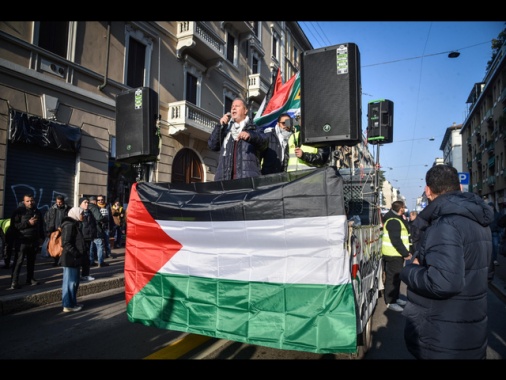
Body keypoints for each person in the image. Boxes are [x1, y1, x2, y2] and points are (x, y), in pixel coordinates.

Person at [400, 164, 493, 360]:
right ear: (459, 188)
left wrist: (409, 270)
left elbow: (442, 283)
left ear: (427, 191)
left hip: (443, 338)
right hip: (471, 332)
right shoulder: (478, 222)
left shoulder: (445, 225)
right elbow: (487, 272)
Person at [208, 98, 268, 181]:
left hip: (247, 180)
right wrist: (220, 126)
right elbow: (212, 145)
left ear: (245, 110)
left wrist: (251, 136)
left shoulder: (254, 128)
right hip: (225, 180)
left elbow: (264, 143)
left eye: (237, 106)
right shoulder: (226, 129)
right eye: (232, 106)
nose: (233, 108)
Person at [381, 200, 411, 312]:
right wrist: (405, 253)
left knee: (397, 278)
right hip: (392, 254)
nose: (405, 209)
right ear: (401, 208)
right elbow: (396, 240)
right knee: (392, 279)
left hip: (396, 254)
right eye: (404, 207)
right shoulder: (393, 220)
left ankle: (396, 298)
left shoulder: (396, 218)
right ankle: (390, 302)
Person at [9, 194, 44, 289]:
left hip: (33, 241)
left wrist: (41, 237)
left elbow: (40, 226)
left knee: (31, 261)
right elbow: (14, 226)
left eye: (31, 200)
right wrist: (28, 223)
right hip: (22, 241)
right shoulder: (18, 211)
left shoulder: (37, 211)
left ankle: (30, 279)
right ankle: (14, 281)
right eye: (28, 201)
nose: (30, 202)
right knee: (18, 262)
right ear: (24, 201)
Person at [60, 206, 86, 312]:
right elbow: (66, 243)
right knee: (70, 282)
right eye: (82, 213)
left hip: (74, 258)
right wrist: (76, 254)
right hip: (70, 258)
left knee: (74, 282)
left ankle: (72, 302)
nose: (83, 216)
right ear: (76, 213)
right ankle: (68, 305)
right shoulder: (69, 225)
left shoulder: (74, 224)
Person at [44, 195, 71, 267]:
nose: (59, 204)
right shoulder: (51, 209)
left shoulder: (68, 209)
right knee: (54, 247)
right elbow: (47, 219)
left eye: (60, 202)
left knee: (62, 247)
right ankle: (55, 261)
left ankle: (60, 261)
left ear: (63, 202)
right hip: (54, 231)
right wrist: (48, 230)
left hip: (63, 230)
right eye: (57, 202)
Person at [78, 197, 96, 282]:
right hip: (80, 239)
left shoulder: (90, 213)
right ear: (80, 204)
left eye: (88, 202)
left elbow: (93, 225)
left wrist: (93, 234)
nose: (87, 204)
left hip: (88, 238)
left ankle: (85, 275)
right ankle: (76, 275)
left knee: (87, 257)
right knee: (79, 257)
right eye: (85, 202)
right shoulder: (78, 213)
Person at [88, 195, 108, 267]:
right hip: (96, 229)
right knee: (100, 245)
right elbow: (99, 218)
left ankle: (91, 261)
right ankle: (101, 261)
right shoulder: (94, 207)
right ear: (94, 201)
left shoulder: (86, 207)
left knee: (91, 246)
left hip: (88, 230)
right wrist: (105, 219)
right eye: (97, 200)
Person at [488, 202, 501, 267]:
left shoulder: (497, 214)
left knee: (495, 246)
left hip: (495, 232)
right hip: (488, 232)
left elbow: (500, 222)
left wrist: (497, 229)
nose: (491, 208)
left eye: (492, 207)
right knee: (489, 247)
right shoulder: (487, 214)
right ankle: (490, 260)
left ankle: (494, 259)